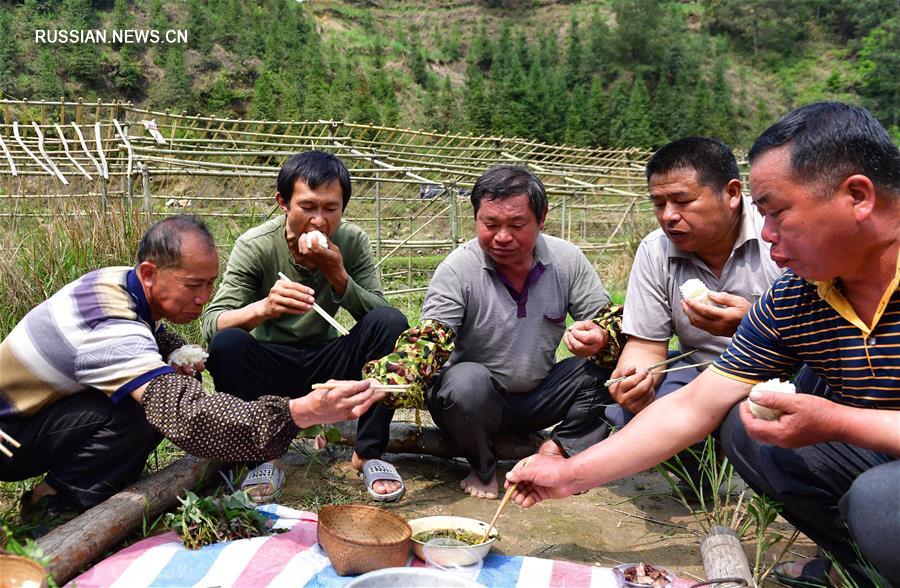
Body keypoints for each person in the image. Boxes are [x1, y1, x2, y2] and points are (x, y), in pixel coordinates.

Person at [506, 102, 900, 586]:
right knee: (747, 427)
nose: (770, 235)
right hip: (872, 442)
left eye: (777, 212)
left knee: (881, 500)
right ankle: (856, 566)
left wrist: (837, 421)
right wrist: (569, 475)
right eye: (763, 215)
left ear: (857, 196)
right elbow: (694, 403)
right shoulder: (800, 292)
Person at [0, 215, 383, 535]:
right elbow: (184, 412)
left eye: (211, 283)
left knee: (165, 383)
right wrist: (298, 412)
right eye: (193, 285)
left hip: (35, 417)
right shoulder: (112, 327)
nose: (204, 297)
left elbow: (154, 334)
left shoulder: (118, 281)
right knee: (149, 405)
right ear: (150, 273)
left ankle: (84, 486)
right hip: (10, 435)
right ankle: (56, 500)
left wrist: (172, 352)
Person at [363, 165, 624, 499]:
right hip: (471, 405)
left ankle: (557, 451)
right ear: (476, 219)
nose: (502, 236)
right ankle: (482, 467)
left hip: (538, 396)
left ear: (541, 218)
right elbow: (429, 338)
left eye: (516, 225)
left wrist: (600, 337)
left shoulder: (566, 261)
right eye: (490, 224)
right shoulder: (459, 269)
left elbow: (610, 322)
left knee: (614, 367)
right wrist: (384, 381)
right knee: (466, 382)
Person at [201, 151, 409, 503]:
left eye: (331, 209)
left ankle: (369, 452)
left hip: (328, 363)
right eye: (307, 207)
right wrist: (264, 308)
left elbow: (381, 313)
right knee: (228, 344)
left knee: (391, 322)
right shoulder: (256, 245)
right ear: (283, 202)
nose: (319, 220)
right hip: (271, 365)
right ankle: (263, 456)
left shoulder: (352, 241)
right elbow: (212, 322)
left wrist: (339, 277)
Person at [606, 137, 783, 491]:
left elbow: (824, 336)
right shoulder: (656, 251)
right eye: (658, 203)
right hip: (702, 373)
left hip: (782, 376)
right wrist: (634, 379)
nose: (669, 216)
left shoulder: (777, 235)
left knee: (748, 419)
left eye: (682, 201)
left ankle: (778, 479)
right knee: (629, 411)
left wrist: (753, 324)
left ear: (731, 193)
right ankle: (702, 475)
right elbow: (645, 345)